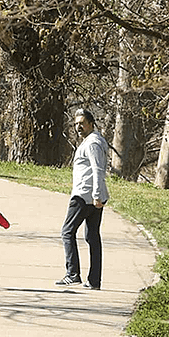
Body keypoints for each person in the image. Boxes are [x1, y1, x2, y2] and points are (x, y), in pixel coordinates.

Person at [56, 108, 110, 290]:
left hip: (84, 196)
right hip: (93, 196)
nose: (78, 127)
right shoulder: (93, 141)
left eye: (82, 124)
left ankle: (73, 274)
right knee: (92, 236)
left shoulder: (92, 143)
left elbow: (98, 170)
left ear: (91, 124)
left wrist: (96, 195)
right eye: (76, 124)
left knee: (67, 232)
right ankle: (94, 281)